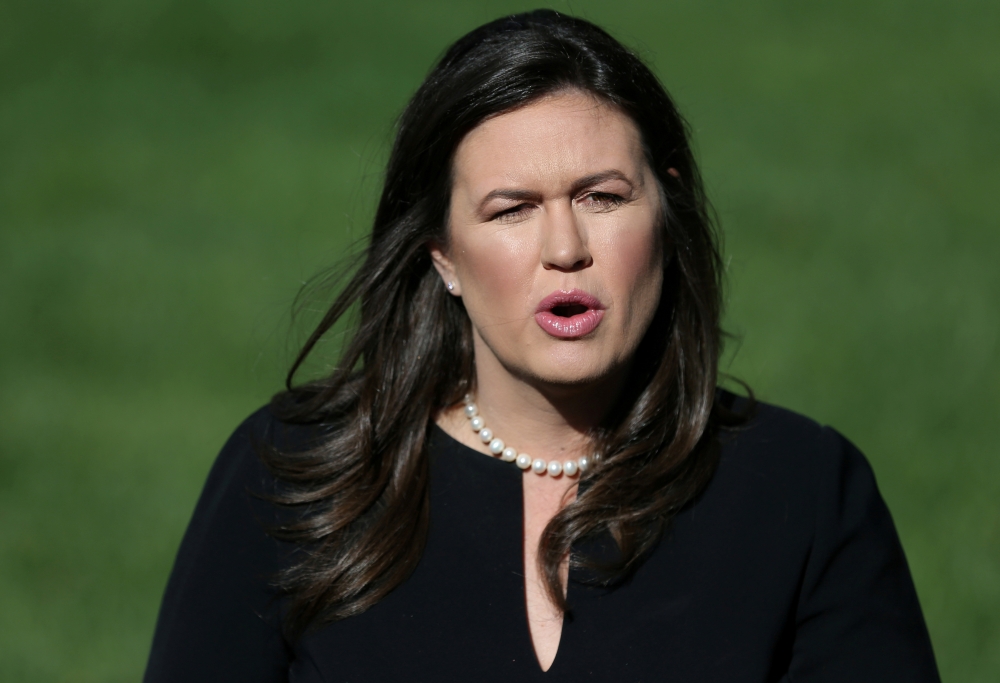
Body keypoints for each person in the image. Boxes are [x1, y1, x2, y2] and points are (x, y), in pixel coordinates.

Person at [144, 10, 940, 682]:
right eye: (511, 209)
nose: (565, 246)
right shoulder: (293, 473)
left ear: (666, 209)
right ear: (443, 255)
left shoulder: (802, 490)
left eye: (602, 196)